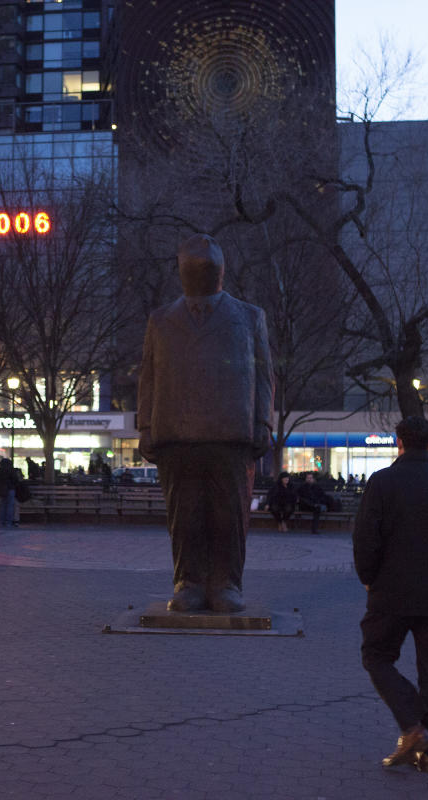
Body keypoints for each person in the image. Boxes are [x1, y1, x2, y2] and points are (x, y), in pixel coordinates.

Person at [137, 233, 274, 613]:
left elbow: (264, 375)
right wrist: (145, 425)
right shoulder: (161, 320)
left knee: (229, 514)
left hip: (231, 432)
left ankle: (227, 582)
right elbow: (147, 375)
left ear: (222, 272)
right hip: (176, 434)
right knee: (185, 516)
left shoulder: (248, 317)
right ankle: (189, 581)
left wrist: (263, 420)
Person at [353, 416, 428, 774]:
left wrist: (368, 578)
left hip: (391, 591)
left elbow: (365, 538)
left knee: (376, 655)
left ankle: (414, 725)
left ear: (398, 442)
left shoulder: (383, 482)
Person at [0, 457, 20, 528]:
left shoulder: (0, 470)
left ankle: (1, 522)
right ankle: (8, 522)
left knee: (2, 506)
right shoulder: (11, 470)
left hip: (2, 490)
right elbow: (15, 479)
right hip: (10, 489)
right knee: (10, 506)